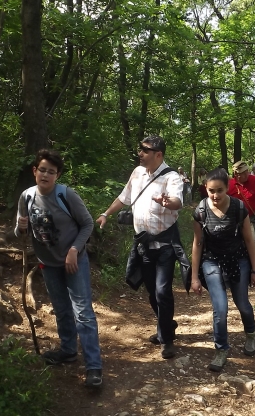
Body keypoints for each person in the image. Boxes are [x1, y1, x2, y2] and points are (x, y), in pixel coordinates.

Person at [15, 149, 103, 388]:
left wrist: (74, 249)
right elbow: (20, 232)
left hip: (74, 260)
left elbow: (87, 224)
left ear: (57, 175)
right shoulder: (27, 197)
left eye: (51, 172)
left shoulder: (67, 196)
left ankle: (94, 367)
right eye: (42, 170)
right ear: (35, 171)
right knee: (61, 309)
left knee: (82, 311)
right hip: (48, 263)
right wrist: (21, 227)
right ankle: (68, 350)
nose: (45, 175)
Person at [96, 135, 184, 359]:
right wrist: (106, 214)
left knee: (163, 291)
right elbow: (123, 198)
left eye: (145, 150)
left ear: (158, 154)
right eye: (140, 149)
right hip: (143, 245)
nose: (140, 154)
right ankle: (167, 326)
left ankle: (167, 340)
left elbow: (178, 202)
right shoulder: (136, 173)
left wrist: (168, 202)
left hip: (165, 245)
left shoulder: (172, 177)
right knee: (151, 292)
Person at [191, 168, 255, 372]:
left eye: (220, 190)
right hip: (211, 261)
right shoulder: (201, 211)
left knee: (243, 304)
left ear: (228, 188)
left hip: (238, 260)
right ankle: (221, 349)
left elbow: (249, 239)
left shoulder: (239, 208)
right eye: (211, 190)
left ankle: (251, 334)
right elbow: (197, 244)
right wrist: (194, 277)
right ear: (206, 188)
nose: (215, 195)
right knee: (220, 309)